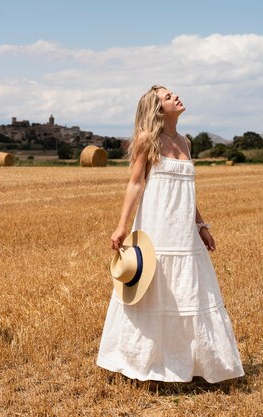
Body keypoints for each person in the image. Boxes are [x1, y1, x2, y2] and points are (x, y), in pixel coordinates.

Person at [96, 85, 245, 383]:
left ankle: (188, 364)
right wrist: (122, 225)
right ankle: (140, 362)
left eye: (172, 94)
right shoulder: (147, 140)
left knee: (187, 292)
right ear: (158, 109)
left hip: (183, 232)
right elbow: (135, 184)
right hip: (156, 227)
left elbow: (187, 192)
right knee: (155, 292)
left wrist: (201, 226)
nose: (175, 97)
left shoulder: (186, 143)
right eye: (167, 97)